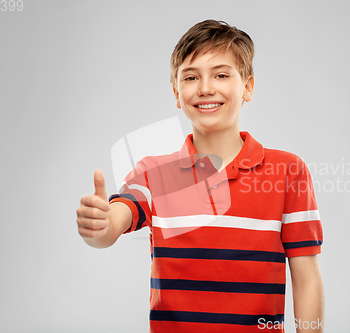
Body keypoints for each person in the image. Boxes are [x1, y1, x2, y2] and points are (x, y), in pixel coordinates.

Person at [76, 19, 324, 333]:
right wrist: (99, 225)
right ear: (177, 94)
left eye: (221, 74)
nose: (205, 88)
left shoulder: (288, 171)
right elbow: (113, 224)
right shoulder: (154, 174)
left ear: (247, 86)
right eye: (191, 77)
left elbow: (307, 277)